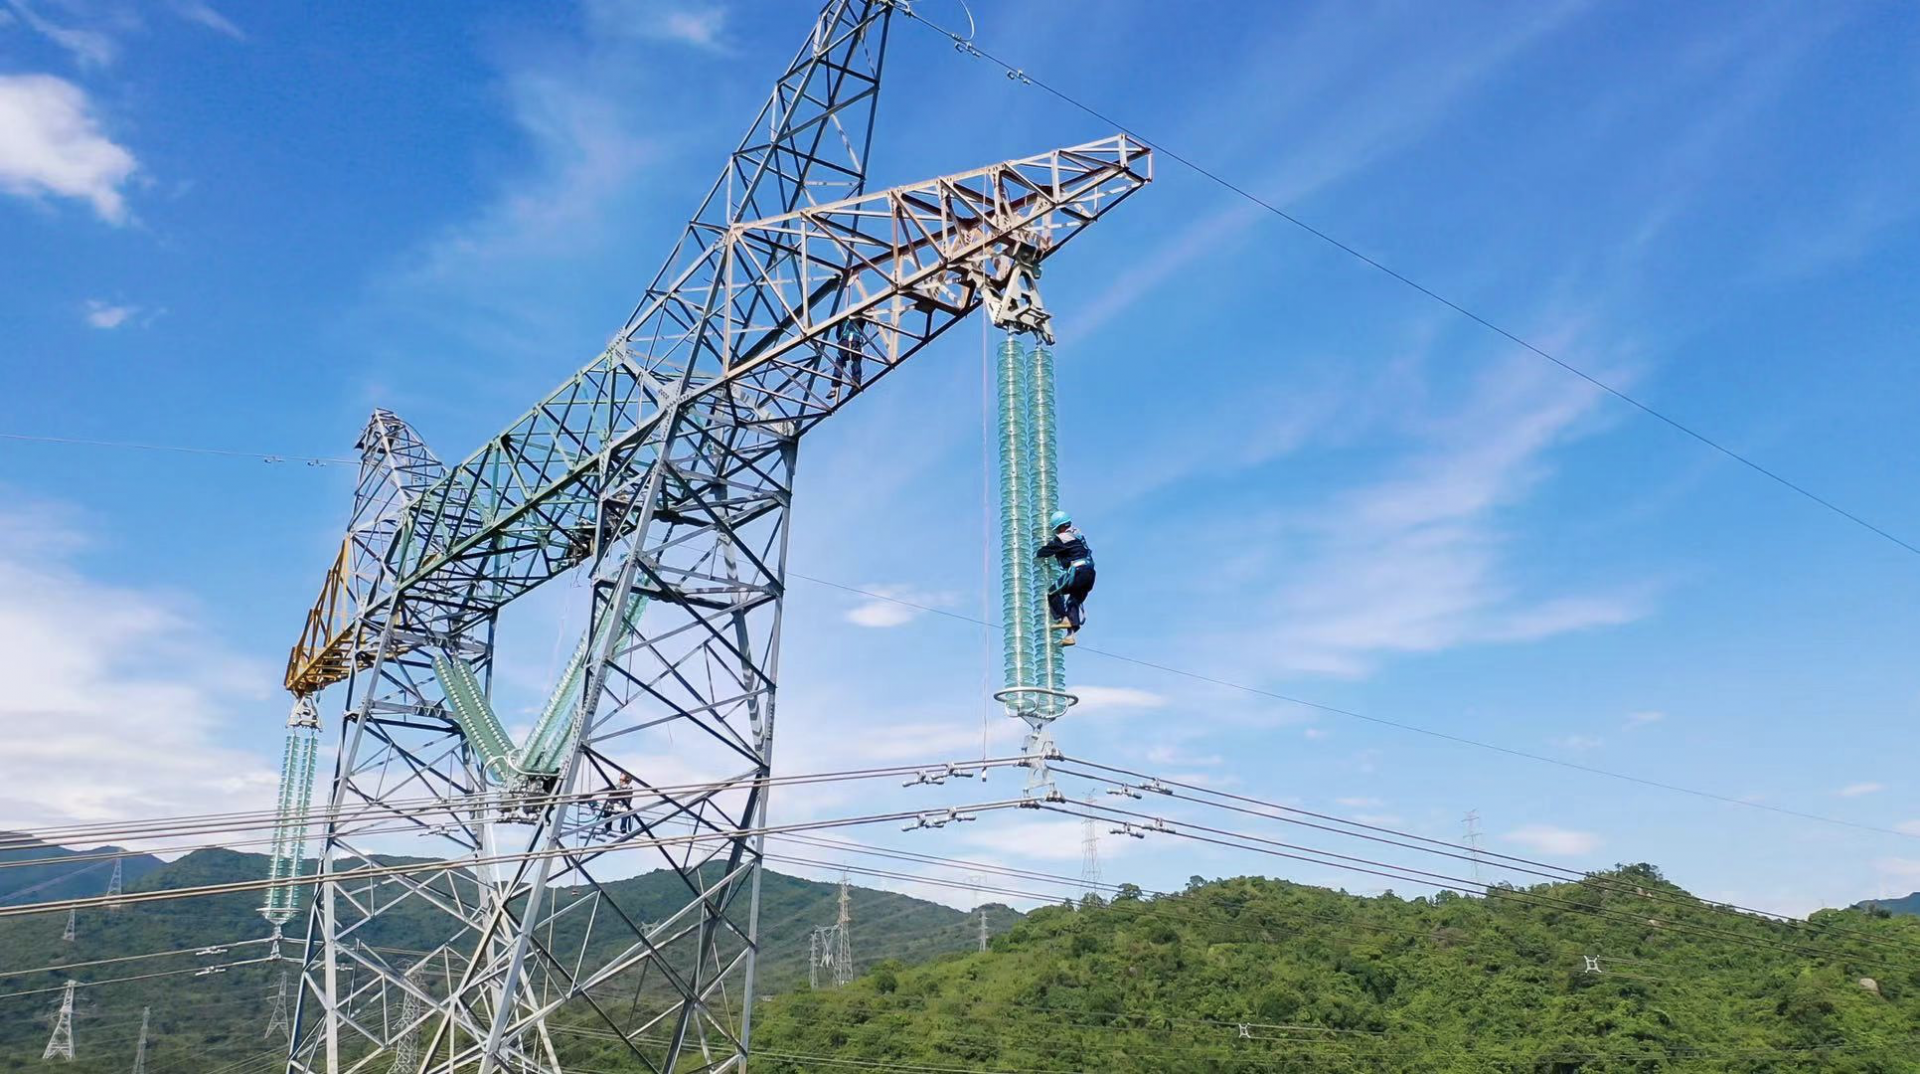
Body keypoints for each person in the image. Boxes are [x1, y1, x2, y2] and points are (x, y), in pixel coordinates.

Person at [1035, 509, 1095, 646]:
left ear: (1061, 527)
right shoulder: (1077, 534)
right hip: (1089, 574)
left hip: (1079, 571)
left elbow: (1045, 551)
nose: (1056, 532)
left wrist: (1038, 554)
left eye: (1056, 530)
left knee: (1052, 592)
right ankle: (1070, 636)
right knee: (1072, 602)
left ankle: (1062, 618)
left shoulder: (1064, 537)